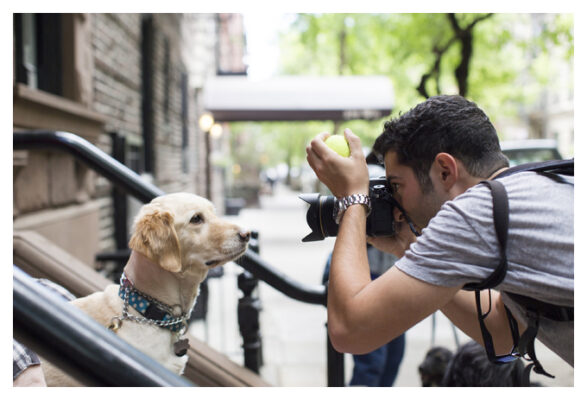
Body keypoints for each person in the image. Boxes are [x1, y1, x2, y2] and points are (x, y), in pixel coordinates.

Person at [305, 95, 573, 376]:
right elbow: (503, 334)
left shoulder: (475, 212)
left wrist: (353, 199)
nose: (396, 207)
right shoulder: (541, 184)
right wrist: (408, 248)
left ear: (445, 171)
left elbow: (350, 331)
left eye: (396, 186)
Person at [322, 159, 405, 387]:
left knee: (393, 358)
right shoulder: (373, 179)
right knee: (372, 363)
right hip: (368, 272)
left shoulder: (405, 182)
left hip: (395, 272)